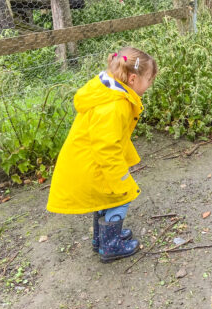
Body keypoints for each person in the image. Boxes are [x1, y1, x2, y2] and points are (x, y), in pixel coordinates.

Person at [46, 47, 157, 263]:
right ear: (133, 79)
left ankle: (101, 238)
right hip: (95, 165)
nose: (150, 84)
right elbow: (107, 148)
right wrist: (120, 179)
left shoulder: (108, 91)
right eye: (149, 79)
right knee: (121, 195)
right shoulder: (115, 105)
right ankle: (111, 245)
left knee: (105, 199)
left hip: (87, 161)